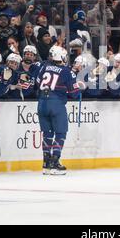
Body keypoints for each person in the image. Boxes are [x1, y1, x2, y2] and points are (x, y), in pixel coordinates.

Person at [36, 46, 82, 175]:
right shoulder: (66, 71)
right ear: (61, 57)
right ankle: (55, 162)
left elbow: (38, 82)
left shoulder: (44, 66)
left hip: (41, 102)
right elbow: (73, 93)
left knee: (47, 134)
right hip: (56, 103)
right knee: (61, 133)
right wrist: (79, 88)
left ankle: (46, 164)